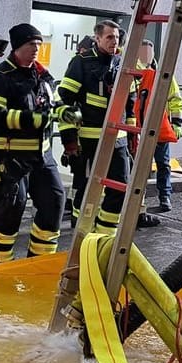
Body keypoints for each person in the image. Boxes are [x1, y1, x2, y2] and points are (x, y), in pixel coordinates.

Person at [0, 23, 70, 265]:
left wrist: (66, 111)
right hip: (11, 160)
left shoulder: (44, 76)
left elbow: (55, 102)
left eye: (39, 44)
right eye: (31, 44)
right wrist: (33, 120)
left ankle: (37, 266)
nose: (36, 49)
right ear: (18, 47)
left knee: (54, 204)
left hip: (43, 160)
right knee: (8, 214)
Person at [58, 20, 138, 235]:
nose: (115, 41)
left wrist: (131, 134)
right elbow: (66, 101)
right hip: (88, 140)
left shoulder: (122, 63)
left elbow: (130, 101)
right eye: (109, 37)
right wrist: (69, 140)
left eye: (117, 37)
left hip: (118, 140)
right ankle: (81, 233)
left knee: (121, 187)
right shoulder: (81, 62)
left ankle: (105, 234)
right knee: (85, 189)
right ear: (97, 38)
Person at [135, 40, 182, 212]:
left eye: (149, 51)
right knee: (138, 166)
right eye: (143, 51)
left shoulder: (163, 74)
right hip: (135, 128)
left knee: (162, 164)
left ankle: (165, 196)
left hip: (157, 125)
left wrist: (177, 123)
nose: (146, 55)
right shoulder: (133, 72)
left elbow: (175, 99)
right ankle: (137, 201)